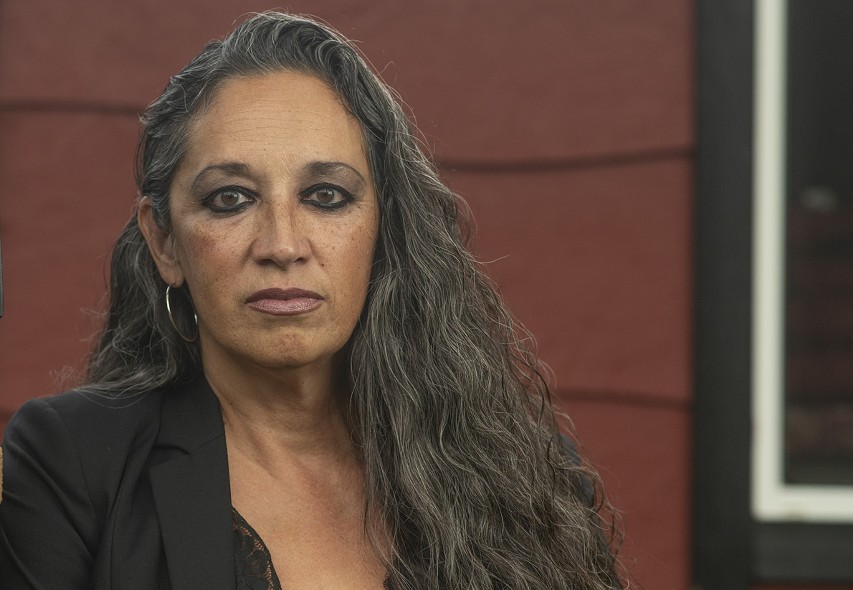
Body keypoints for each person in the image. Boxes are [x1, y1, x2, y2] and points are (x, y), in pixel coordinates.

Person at [0, 11, 622, 590]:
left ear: (384, 229)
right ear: (164, 241)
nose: (282, 245)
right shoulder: (72, 463)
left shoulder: (520, 471)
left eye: (326, 196)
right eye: (230, 199)